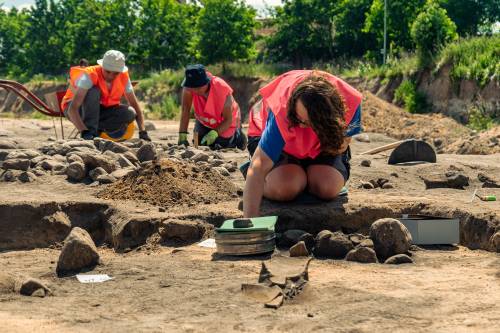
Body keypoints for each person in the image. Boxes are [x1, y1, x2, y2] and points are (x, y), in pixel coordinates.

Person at [243, 70, 363, 218]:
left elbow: (341, 146)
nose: (303, 128)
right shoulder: (282, 111)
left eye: (310, 124)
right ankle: (265, 181)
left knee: (327, 188)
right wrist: (249, 223)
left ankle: (304, 175)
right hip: (281, 144)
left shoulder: (351, 103)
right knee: (286, 188)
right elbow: (259, 166)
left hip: (322, 143)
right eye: (301, 120)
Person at [61, 50, 150, 141]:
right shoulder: (89, 75)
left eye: (116, 73)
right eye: (108, 72)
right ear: (102, 66)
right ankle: (90, 133)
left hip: (98, 111)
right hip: (72, 109)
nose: (111, 76)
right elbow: (73, 109)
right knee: (93, 92)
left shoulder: (123, 76)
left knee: (130, 113)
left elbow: (134, 105)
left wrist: (142, 131)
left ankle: (94, 132)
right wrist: (84, 132)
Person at [178, 64, 246, 149]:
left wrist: (214, 133)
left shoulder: (221, 88)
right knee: (199, 143)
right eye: (192, 88)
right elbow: (185, 110)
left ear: (206, 82)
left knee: (220, 144)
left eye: (197, 88)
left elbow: (228, 119)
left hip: (227, 121)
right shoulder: (189, 87)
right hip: (205, 120)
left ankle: (238, 136)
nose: (194, 91)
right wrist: (182, 135)